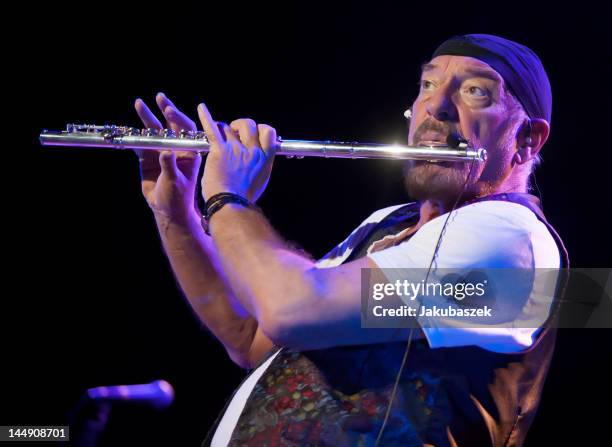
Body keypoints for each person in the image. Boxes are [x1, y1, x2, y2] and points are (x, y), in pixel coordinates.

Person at [133, 34, 568, 446]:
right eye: (427, 84)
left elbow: (292, 309)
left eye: (475, 91)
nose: (435, 106)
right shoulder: (386, 225)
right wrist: (177, 212)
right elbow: (249, 335)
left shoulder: (513, 240)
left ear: (528, 139)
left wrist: (228, 197)